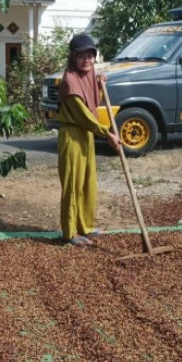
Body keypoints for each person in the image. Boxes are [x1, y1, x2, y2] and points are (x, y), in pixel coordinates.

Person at [57, 33, 121, 246]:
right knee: (73, 184)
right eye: (81, 56)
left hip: (86, 135)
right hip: (73, 135)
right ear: (73, 58)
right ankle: (70, 231)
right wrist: (107, 133)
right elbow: (84, 115)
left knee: (88, 183)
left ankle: (85, 225)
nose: (87, 60)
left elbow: (93, 102)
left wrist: (100, 84)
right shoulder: (70, 81)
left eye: (90, 55)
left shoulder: (89, 75)